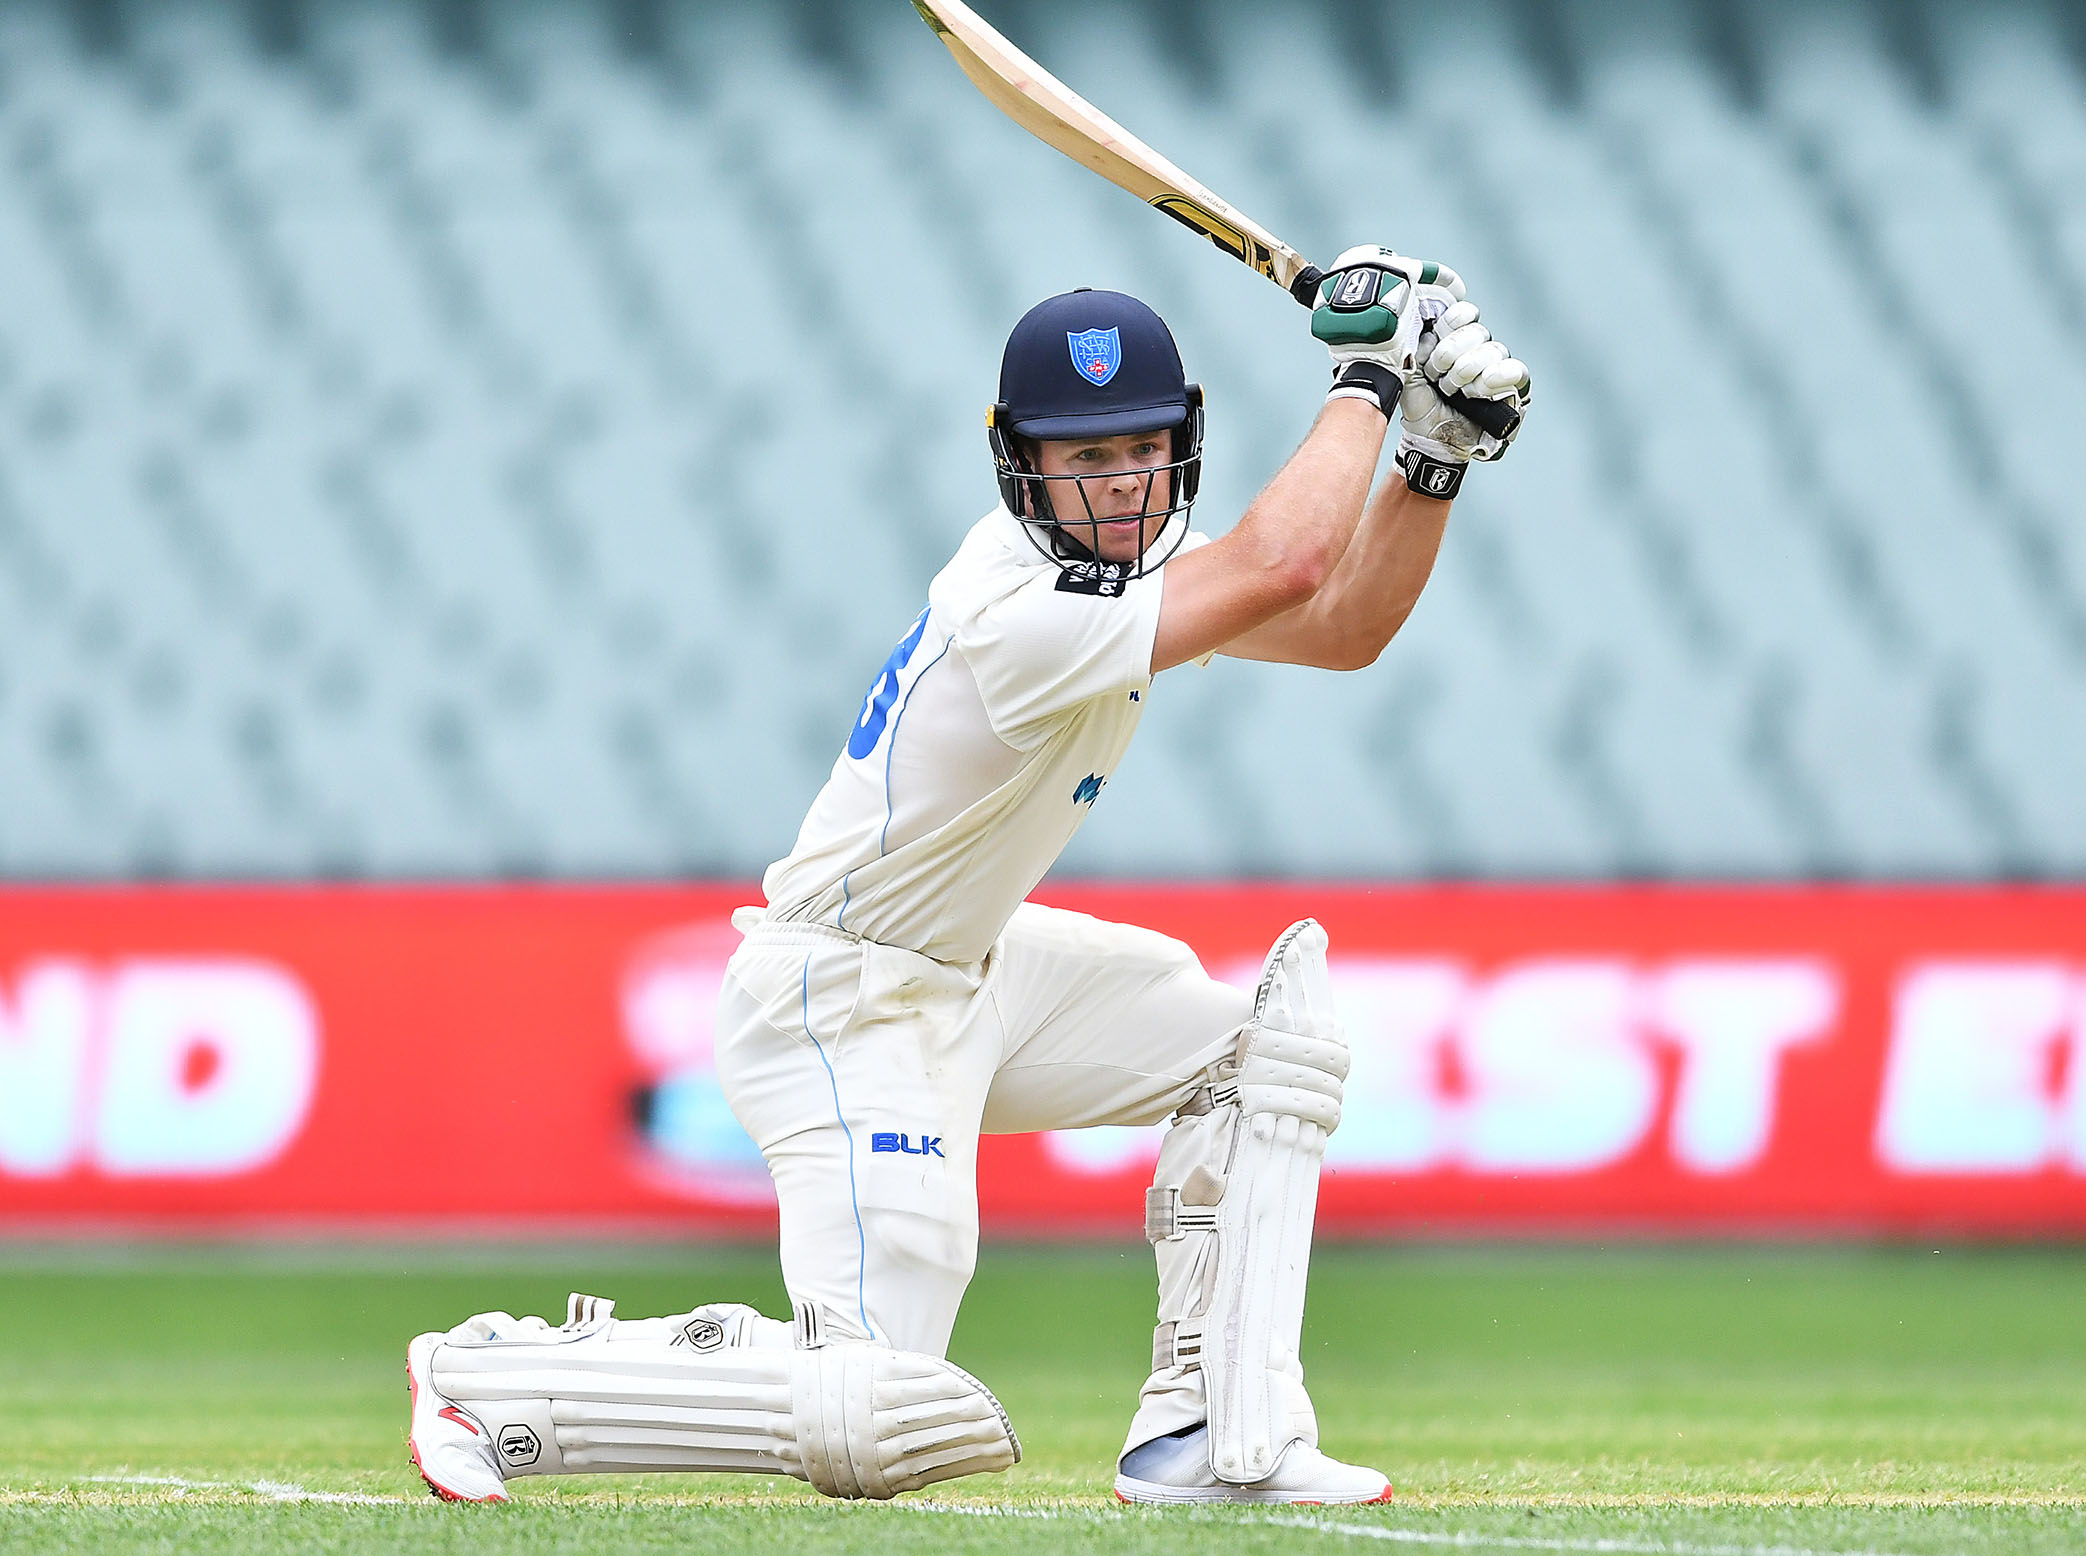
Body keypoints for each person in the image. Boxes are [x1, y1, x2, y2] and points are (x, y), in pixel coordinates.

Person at [403, 246, 1530, 1506]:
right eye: (1083, 459)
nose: (1118, 486)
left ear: (1181, 445)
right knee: (876, 1409)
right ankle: (491, 1374)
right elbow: (1288, 566)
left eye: (1139, 451)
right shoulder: (1019, 608)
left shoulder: (1139, 570)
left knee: (1259, 1054)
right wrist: (1373, 375)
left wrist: (1432, 456)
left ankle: (1212, 1434)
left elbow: (1341, 630)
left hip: (978, 971)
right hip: (843, 998)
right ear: (1022, 464)